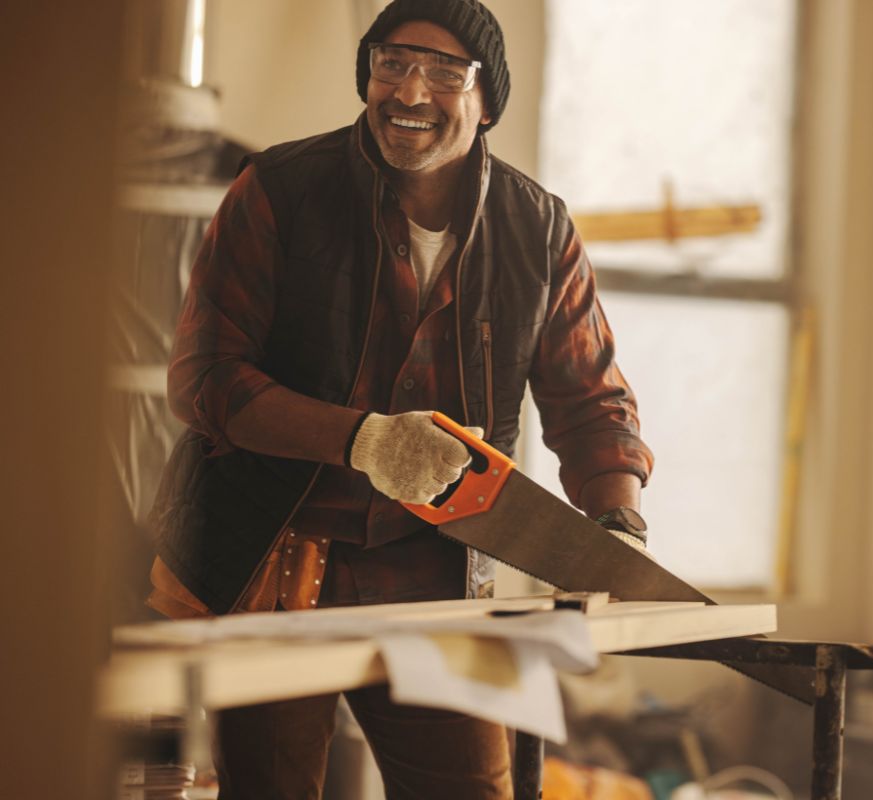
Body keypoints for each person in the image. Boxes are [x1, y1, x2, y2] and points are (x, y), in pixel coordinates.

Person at [145, 0, 654, 796]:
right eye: (390, 63)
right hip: (274, 565)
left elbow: (591, 403)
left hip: (440, 579)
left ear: (488, 103)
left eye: (446, 72)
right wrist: (365, 442)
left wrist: (615, 520)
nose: (411, 91)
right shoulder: (277, 189)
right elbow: (206, 378)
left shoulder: (539, 230)